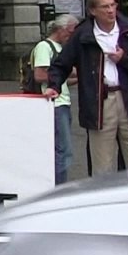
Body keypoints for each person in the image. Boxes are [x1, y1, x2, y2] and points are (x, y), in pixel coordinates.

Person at [45, 0, 128, 174]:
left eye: (113, 5)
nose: (111, 10)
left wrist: (124, 59)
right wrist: (54, 86)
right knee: (102, 164)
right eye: (105, 7)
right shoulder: (82, 35)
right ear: (93, 11)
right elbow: (60, 65)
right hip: (100, 102)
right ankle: (104, 200)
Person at [33, 14, 78, 184]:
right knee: (63, 149)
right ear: (61, 29)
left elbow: (60, 79)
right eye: (70, 32)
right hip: (54, 103)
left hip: (62, 101)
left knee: (62, 148)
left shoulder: (58, 48)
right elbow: (40, 75)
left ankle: (59, 183)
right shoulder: (45, 47)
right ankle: (59, 186)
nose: (71, 37)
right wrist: (61, 76)